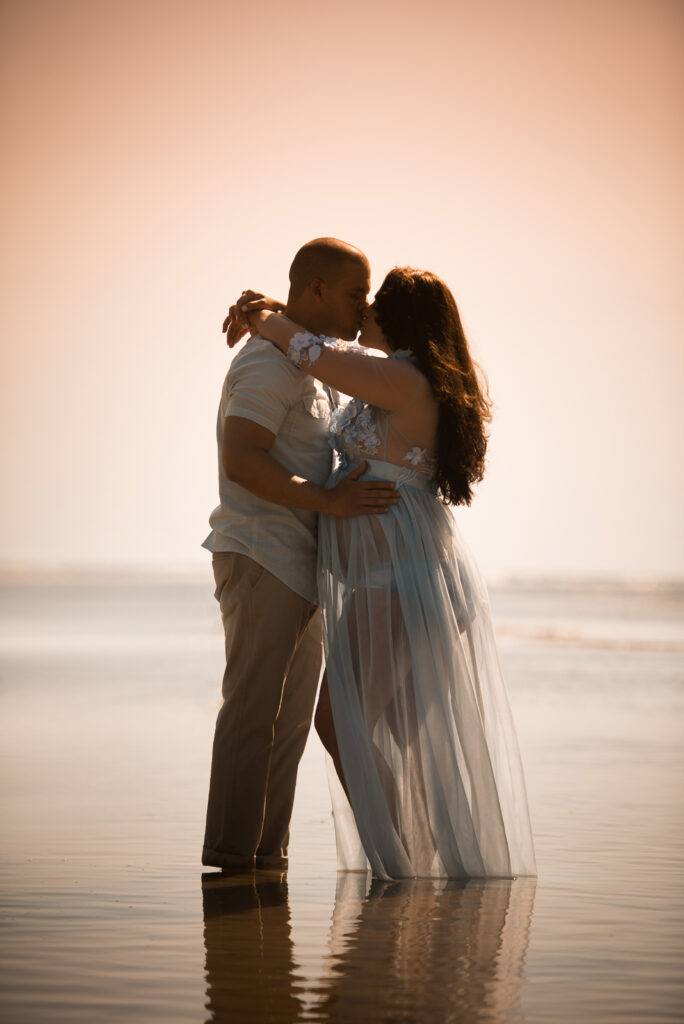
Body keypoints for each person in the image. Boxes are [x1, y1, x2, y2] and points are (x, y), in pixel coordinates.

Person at [235, 267, 537, 880]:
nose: (364, 309)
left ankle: (400, 862)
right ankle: (421, 867)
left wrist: (262, 317)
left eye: (375, 303)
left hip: (398, 580)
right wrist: (274, 311)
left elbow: (311, 351)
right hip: (404, 578)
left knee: (337, 720)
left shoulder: (402, 378)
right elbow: (328, 351)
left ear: (398, 319)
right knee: (396, 731)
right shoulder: (397, 376)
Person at [201, 238, 399, 871]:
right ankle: (232, 859)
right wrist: (330, 502)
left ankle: (266, 863)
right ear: (315, 290)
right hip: (260, 554)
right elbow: (242, 459)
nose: (363, 306)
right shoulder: (267, 364)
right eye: (354, 293)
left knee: (287, 726)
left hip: (303, 565)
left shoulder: (310, 363)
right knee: (253, 714)